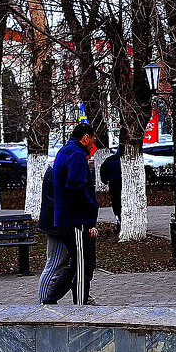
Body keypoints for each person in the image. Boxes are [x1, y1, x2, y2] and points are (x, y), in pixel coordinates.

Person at [41, 123, 99, 305]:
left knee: (77, 262)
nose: (93, 143)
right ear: (86, 137)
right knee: (83, 263)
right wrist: (90, 208)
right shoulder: (77, 154)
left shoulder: (64, 151)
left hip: (67, 219)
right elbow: (76, 185)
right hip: (75, 220)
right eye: (93, 139)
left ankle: (51, 298)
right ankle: (80, 303)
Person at [36, 165, 70, 304]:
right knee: (54, 267)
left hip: (58, 224)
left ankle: (84, 298)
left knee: (73, 266)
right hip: (58, 227)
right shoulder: (58, 170)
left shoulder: (57, 168)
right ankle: (44, 302)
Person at [101, 148, 122, 228]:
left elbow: (103, 170)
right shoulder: (127, 160)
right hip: (124, 183)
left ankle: (118, 217)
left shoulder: (110, 160)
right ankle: (122, 219)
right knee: (123, 202)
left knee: (116, 202)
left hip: (113, 183)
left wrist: (104, 180)